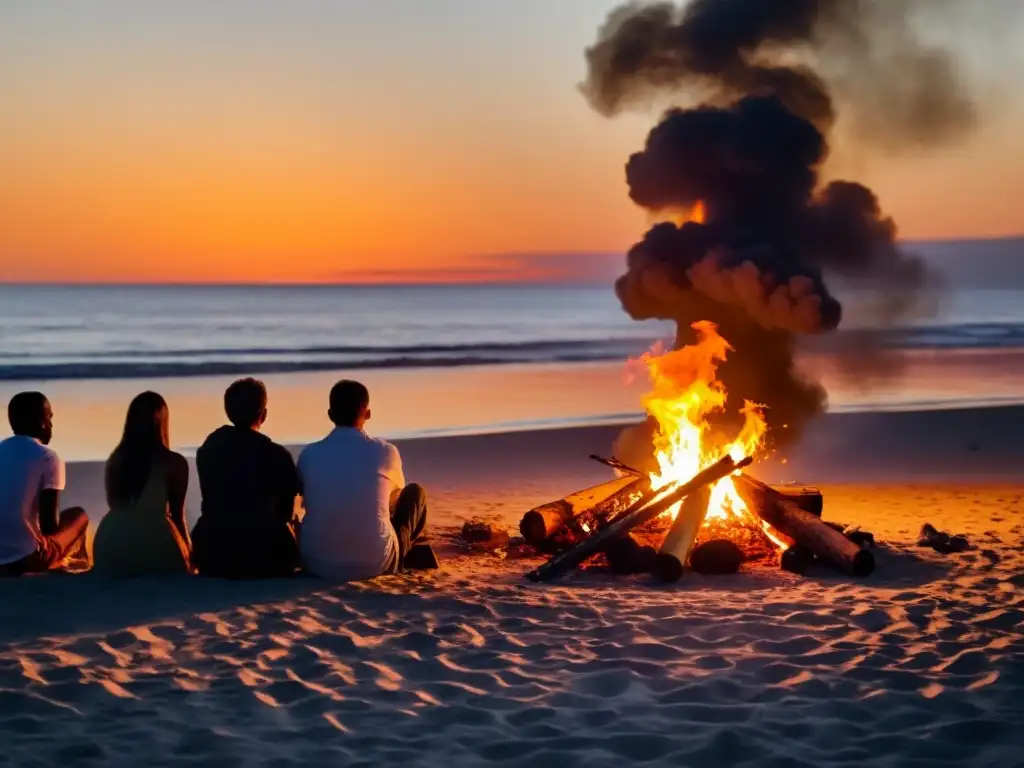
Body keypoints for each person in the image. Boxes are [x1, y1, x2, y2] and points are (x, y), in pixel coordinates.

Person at [298, 379, 430, 582]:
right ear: (367, 413)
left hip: (316, 562)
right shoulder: (386, 451)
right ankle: (404, 548)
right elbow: (394, 500)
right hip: (375, 564)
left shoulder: (309, 453)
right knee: (415, 493)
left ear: (330, 415)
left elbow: (305, 498)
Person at [191, 378, 300, 578]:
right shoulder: (276, 455)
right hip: (265, 558)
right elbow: (285, 513)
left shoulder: (208, 450)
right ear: (263, 414)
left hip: (213, 555)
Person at [92, 392, 191, 576]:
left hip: (111, 542)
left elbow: (114, 505)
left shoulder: (116, 459)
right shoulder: (172, 462)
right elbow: (178, 516)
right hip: (155, 539)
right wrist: (188, 554)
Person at [0, 392, 89, 576]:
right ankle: (74, 565)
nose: (51, 425)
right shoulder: (47, 457)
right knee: (79, 516)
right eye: (49, 418)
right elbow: (50, 526)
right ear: (41, 423)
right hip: (25, 559)